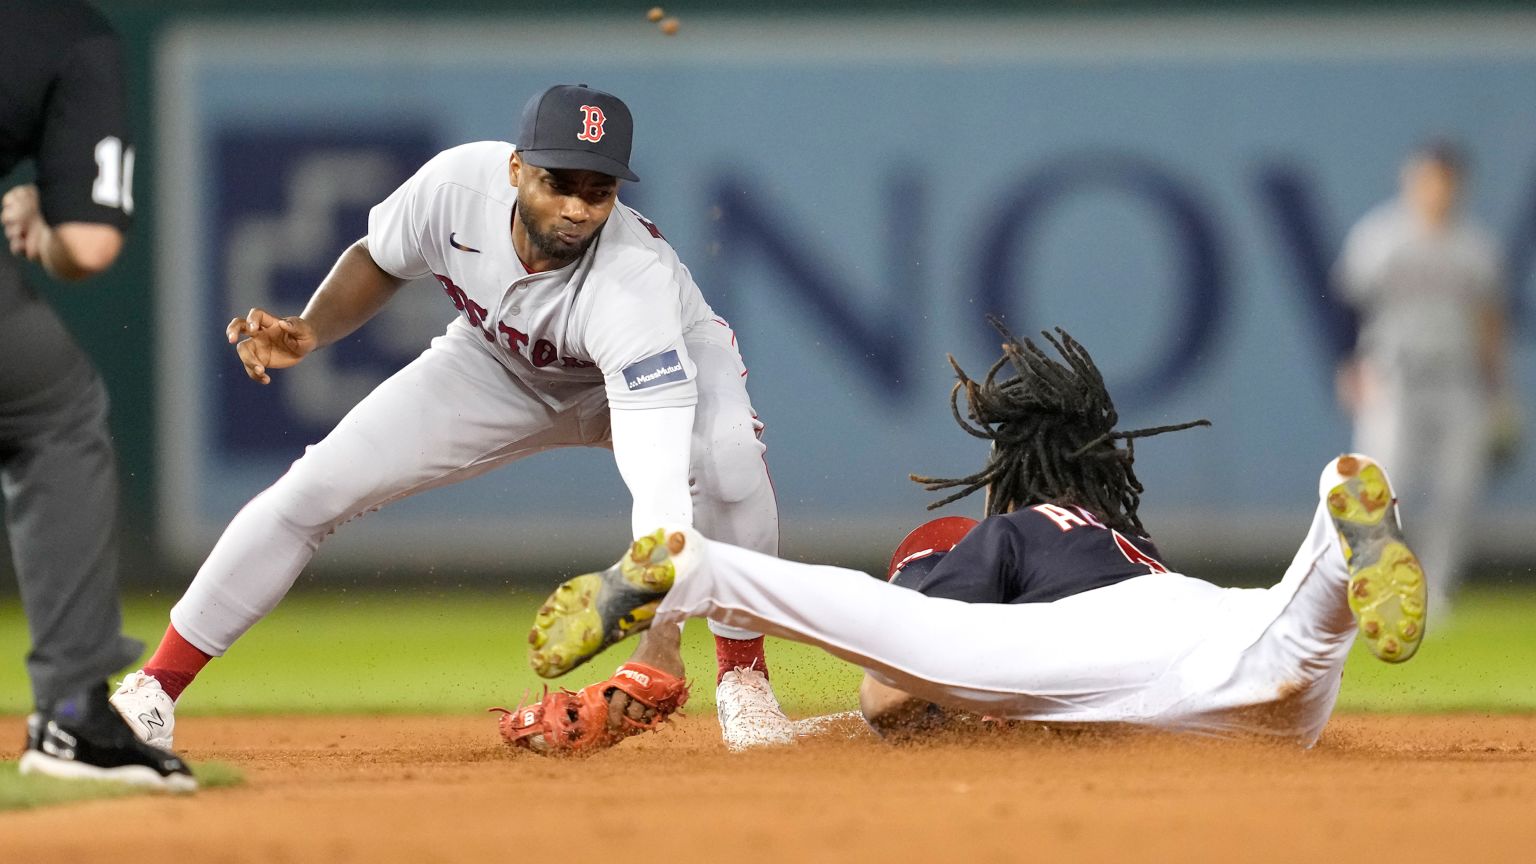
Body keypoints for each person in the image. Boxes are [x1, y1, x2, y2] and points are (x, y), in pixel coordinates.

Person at [108, 84, 794, 752]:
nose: (579, 208)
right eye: (560, 182)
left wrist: (659, 636)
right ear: (516, 168)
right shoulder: (455, 188)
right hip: (499, 363)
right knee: (314, 490)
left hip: (652, 368)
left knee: (727, 460)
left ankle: (744, 677)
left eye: (599, 190)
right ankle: (152, 692)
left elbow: (660, 483)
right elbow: (378, 257)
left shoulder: (631, 284)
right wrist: (312, 328)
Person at [506, 322, 1426, 751]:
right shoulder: (1124, 539)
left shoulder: (1001, 534)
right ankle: (1335, 512)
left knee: (883, 626)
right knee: (1300, 641)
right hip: (1213, 624)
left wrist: (841, 731)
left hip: (1082, 654)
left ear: (1010, 467)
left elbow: (884, 700)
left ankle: (700, 568)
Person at [2, 0, 196, 789]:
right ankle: (74, 716)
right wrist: (42, 228)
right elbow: (87, 242)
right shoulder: (68, 31)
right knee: (55, 412)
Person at [1334, 141, 1518, 619]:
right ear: (1411, 179)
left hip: (1459, 380)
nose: (1435, 189)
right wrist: (1348, 364)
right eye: (1427, 178)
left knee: (1457, 490)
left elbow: (1490, 322)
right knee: (1383, 483)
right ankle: (1375, 584)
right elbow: (1347, 307)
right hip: (1394, 374)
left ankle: (1435, 592)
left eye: (1444, 180)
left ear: (1458, 186)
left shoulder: (1476, 246)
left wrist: (1498, 391)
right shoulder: (1379, 237)